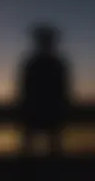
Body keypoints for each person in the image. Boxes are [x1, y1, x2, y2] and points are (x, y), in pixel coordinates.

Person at [17, 23, 72, 156]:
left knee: (51, 144)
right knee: (33, 145)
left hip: (46, 111)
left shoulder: (37, 63)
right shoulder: (40, 63)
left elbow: (63, 89)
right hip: (41, 110)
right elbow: (25, 88)